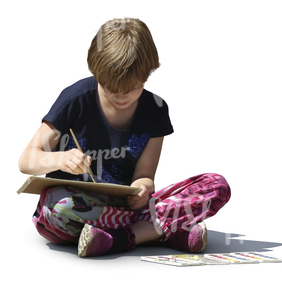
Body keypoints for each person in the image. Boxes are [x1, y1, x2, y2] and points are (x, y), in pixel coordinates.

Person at [18, 18, 231, 257]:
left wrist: (141, 188)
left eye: (132, 87)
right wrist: (60, 160)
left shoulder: (155, 110)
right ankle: (161, 230)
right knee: (55, 207)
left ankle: (120, 238)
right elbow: (27, 159)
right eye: (111, 86)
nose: (121, 96)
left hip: (125, 206)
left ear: (147, 74)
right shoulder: (75, 100)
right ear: (97, 72)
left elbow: (145, 176)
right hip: (80, 205)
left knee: (216, 185)